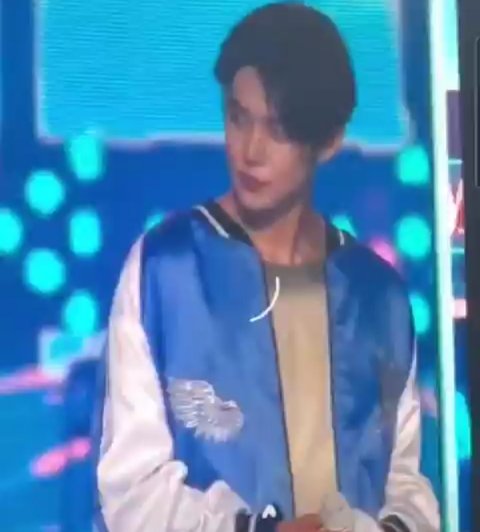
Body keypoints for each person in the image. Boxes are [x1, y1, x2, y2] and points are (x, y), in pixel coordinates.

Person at [93, 3, 440, 531]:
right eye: (238, 118)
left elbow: (409, 486)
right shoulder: (165, 269)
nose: (250, 151)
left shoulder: (379, 297)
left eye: (277, 129)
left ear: (329, 141)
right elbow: (131, 491)